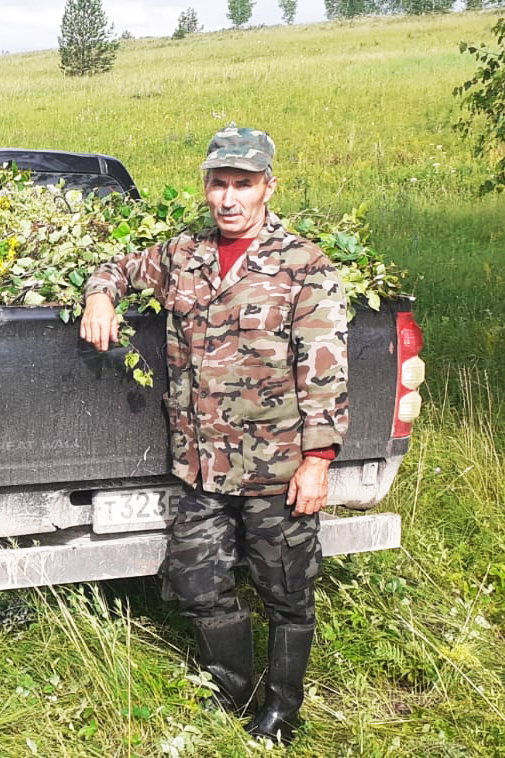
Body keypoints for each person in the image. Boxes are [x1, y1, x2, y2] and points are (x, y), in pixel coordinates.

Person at [79, 126, 348, 744]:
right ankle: (236, 694)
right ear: (206, 187)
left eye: (243, 185)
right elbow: (115, 267)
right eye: (219, 184)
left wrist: (319, 460)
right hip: (201, 467)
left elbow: (326, 365)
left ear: (267, 188)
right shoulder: (182, 255)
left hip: (276, 468)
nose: (229, 198)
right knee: (197, 582)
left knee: (286, 590)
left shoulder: (302, 266)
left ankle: (281, 711)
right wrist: (100, 296)